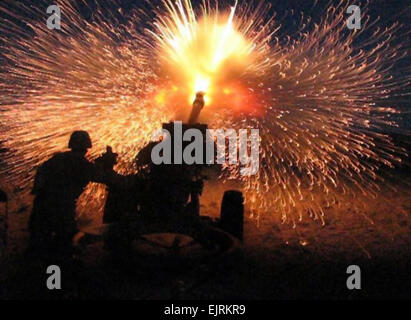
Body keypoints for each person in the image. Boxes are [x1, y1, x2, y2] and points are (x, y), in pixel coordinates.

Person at [28, 131, 110, 260]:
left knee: (37, 244)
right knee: (64, 241)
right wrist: (105, 165)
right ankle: (61, 272)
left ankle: (34, 273)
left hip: (41, 204)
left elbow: (40, 176)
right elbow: (102, 176)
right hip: (61, 208)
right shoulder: (82, 165)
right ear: (86, 148)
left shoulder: (57, 159)